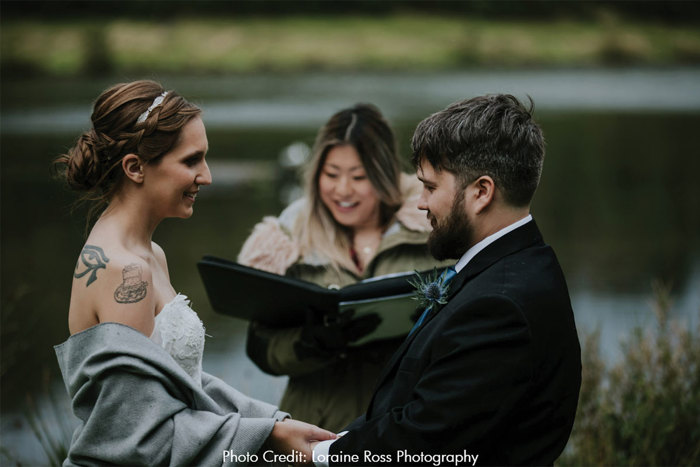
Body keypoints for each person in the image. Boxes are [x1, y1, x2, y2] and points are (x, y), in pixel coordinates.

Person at [53, 80, 334, 466]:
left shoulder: (151, 254)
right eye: (191, 161)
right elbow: (136, 438)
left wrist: (271, 424)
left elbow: (182, 386)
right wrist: (265, 438)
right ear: (135, 167)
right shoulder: (124, 272)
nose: (207, 176)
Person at [311, 95, 582, 466]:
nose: (421, 202)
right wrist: (342, 438)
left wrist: (316, 455)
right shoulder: (519, 266)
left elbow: (426, 439)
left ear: (481, 192)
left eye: (431, 187)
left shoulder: (499, 307)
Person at [238, 103, 449, 433]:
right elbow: (261, 348)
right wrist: (311, 343)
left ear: (383, 175)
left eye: (359, 176)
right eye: (331, 174)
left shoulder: (435, 231)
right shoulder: (288, 240)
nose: (343, 190)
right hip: (316, 434)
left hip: (407, 430)